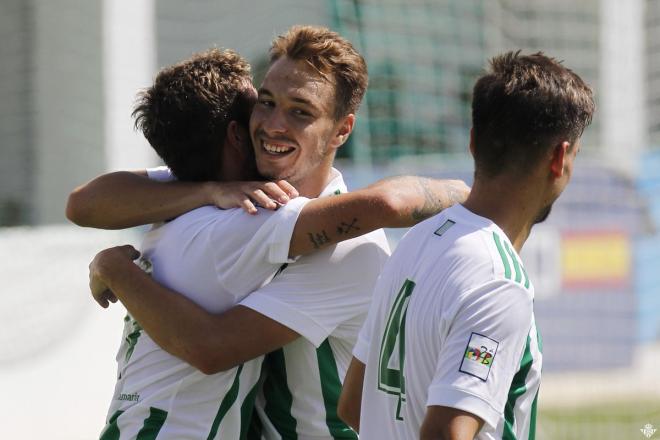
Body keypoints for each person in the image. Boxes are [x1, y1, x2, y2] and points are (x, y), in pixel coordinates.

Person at [69, 27, 468, 439]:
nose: (273, 125)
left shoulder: (347, 250)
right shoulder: (231, 199)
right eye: (266, 103)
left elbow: (213, 347)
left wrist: (115, 267)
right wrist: (208, 191)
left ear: (342, 130)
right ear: (236, 131)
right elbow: (84, 202)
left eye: (301, 111)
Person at [337, 51, 595, 440]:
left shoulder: (416, 239)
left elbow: (354, 405)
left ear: (473, 142)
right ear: (559, 158)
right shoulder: (499, 281)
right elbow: (445, 433)